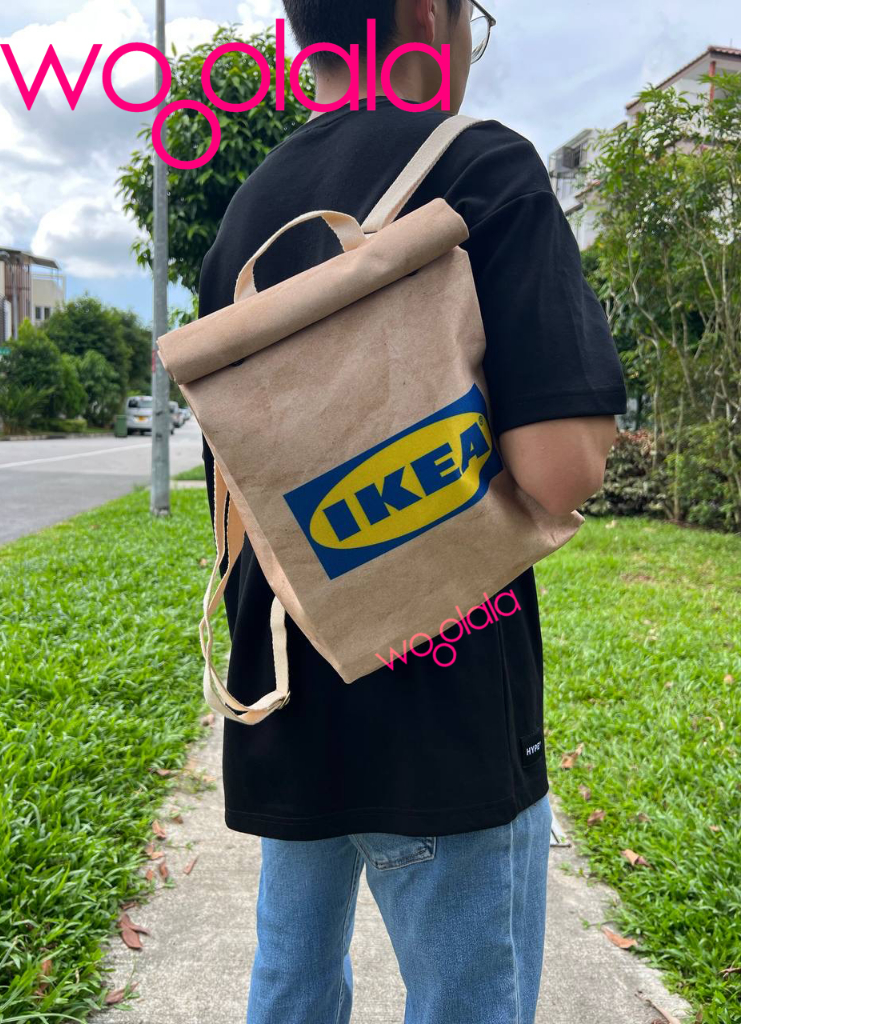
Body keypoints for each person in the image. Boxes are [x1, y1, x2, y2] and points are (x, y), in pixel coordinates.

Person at [196, 2, 627, 1021]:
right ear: (430, 12)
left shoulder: (245, 213)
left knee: (292, 988)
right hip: (442, 694)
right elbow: (560, 469)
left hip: (287, 691)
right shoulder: (483, 165)